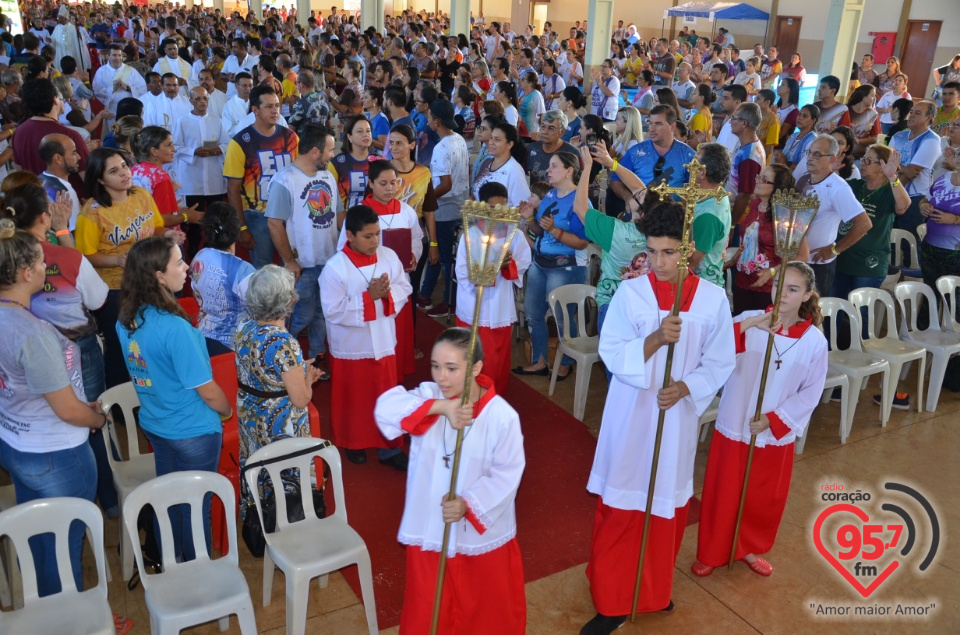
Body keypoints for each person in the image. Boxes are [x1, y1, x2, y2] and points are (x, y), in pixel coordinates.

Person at [582, 202, 735, 634]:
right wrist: (653, 339)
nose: (659, 263)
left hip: (676, 417)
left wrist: (687, 387)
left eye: (669, 253)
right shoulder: (631, 294)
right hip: (631, 416)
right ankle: (612, 599)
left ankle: (652, 592)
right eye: (652, 252)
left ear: (687, 250)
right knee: (622, 507)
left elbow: (720, 359)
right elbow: (612, 353)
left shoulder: (711, 299)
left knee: (664, 508)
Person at [375, 327, 526, 634]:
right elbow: (384, 409)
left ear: (477, 367)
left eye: (452, 368)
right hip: (432, 527)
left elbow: (508, 472)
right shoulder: (429, 396)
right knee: (431, 607)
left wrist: (467, 503)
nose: (441, 377)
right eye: (435, 366)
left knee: (482, 608)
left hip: (478, 533)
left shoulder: (502, 416)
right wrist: (441, 407)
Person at [692, 262, 828, 578]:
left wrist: (773, 420)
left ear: (807, 295)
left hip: (771, 434)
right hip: (734, 425)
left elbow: (811, 392)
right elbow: (712, 350)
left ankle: (748, 548)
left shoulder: (814, 341)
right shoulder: (745, 321)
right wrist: (750, 324)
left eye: (793, 289)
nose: (782, 293)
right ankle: (712, 551)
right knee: (722, 493)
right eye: (778, 283)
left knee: (762, 497)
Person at [0, 218, 107, 598]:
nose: (48, 267)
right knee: (64, 543)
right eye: (43, 262)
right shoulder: (33, 333)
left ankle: (47, 609)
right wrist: (96, 417)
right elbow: (67, 411)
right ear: (26, 272)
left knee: (42, 537)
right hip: (56, 454)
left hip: (17, 442)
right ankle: (71, 618)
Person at [116, 236, 232, 562]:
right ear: (158, 276)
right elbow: (207, 390)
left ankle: (172, 564)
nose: (186, 267)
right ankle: (200, 578)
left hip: (156, 424)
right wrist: (225, 411)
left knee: (170, 501)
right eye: (179, 262)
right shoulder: (175, 328)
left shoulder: (126, 319)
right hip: (192, 430)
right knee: (196, 507)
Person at [320, 204, 412, 469]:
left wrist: (387, 295)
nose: (375, 242)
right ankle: (354, 443)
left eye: (377, 235)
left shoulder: (389, 256)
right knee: (355, 398)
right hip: (352, 345)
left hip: (383, 340)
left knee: (385, 394)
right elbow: (332, 311)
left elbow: (404, 286)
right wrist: (368, 298)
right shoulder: (335, 268)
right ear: (350, 236)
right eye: (368, 236)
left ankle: (389, 448)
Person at [235, 265, 323, 521]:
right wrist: (308, 378)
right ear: (289, 300)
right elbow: (301, 399)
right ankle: (289, 523)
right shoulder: (284, 342)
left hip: (251, 418)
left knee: (260, 472)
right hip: (278, 427)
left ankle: (258, 519)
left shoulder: (244, 328)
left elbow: (259, 371)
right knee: (285, 481)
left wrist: (296, 371)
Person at [265, 123, 339, 378]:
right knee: (299, 317)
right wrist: (289, 261)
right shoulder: (285, 180)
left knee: (322, 314)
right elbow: (274, 223)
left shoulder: (328, 176)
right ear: (316, 152)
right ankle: (287, 362)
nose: (333, 155)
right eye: (330, 150)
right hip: (303, 266)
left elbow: (336, 216)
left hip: (329, 262)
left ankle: (317, 359)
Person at [513, 152, 589, 380]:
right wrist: (529, 219)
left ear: (569, 171)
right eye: (549, 166)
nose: (548, 170)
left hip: (565, 266)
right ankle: (540, 361)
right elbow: (541, 233)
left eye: (554, 166)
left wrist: (555, 230)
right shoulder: (549, 197)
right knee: (534, 313)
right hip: (541, 263)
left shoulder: (580, 200)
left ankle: (566, 362)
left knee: (562, 317)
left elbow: (583, 241)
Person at [347, 160, 423, 376]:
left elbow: (416, 237)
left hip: (398, 282)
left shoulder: (406, 211)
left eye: (394, 183)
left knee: (399, 331)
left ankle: (397, 372)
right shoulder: (359, 213)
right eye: (383, 183)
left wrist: (413, 257)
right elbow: (345, 246)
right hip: (370, 282)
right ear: (371, 183)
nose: (390, 188)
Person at [455, 182, 531, 392]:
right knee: (473, 357)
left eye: (502, 208)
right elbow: (461, 271)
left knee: (497, 358)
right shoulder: (469, 235)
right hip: (474, 306)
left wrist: (508, 265)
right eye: (492, 209)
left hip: (499, 305)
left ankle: (492, 401)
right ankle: (470, 398)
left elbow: (524, 260)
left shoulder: (513, 233)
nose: (498, 214)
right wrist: (484, 272)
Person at [224, 85, 300, 269]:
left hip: (289, 214)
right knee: (264, 270)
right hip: (257, 215)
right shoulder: (240, 142)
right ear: (255, 110)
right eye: (269, 106)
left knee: (291, 267)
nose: (275, 110)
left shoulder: (291, 138)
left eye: (277, 105)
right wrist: (242, 228)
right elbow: (232, 189)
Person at [796, 135, 872, 296]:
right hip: (797, 259)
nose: (810, 157)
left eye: (817, 155)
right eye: (809, 153)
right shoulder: (803, 180)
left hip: (818, 264)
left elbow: (864, 223)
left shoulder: (838, 188)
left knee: (812, 314)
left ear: (832, 159)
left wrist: (835, 250)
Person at [733, 164, 809, 312]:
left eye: (764, 179)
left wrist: (772, 271)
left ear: (777, 187)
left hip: (767, 287)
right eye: (759, 177)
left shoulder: (786, 215)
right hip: (742, 281)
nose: (758, 181)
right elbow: (748, 240)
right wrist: (732, 260)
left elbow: (803, 255)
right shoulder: (754, 204)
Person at [421, 100, 470, 320]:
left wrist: (427, 200)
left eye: (430, 117)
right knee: (442, 254)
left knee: (443, 258)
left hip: (445, 209)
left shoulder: (441, 147)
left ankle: (448, 303)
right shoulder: (458, 138)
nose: (428, 120)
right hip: (459, 204)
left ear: (437, 121)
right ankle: (425, 295)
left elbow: (445, 184)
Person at [172, 86, 230, 258]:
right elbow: (175, 146)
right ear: (191, 101)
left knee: (215, 215)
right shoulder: (182, 121)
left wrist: (218, 149)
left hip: (213, 177)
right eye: (198, 99)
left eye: (205, 98)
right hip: (192, 177)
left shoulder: (216, 120)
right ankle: (193, 248)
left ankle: (213, 246)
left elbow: (227, 144)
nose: (202, 102)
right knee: (194, 219)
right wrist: (193, 152)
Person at [190, 202, 256, 353]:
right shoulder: (244, 270)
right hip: (234, 345)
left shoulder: (200, 256)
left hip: (202, 337)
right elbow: (259, 310)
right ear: (237, 230)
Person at [610, 105, 697, 213]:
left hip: (672, 217)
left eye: (658, 124)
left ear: (672, 126)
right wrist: (628, 198)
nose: (652, 128)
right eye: (650, 123)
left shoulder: (688, 155)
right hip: (640, 214)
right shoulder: (635, 152)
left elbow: (696, 189)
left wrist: (681, 207)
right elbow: (616, 180)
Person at [12, 79, 90, 182]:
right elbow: (89, 179)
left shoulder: (18, 132)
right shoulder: (69, 135)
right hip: (67, 196)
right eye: (62, 98)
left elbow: (20, 171)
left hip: (35, 195)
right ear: (55, 100)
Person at [889, 100, 943, 243]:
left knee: (908, 243)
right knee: (889, 242)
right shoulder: (899, 136)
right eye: (911, 111)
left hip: (914, 198)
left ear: (929, 117)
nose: (911, 115)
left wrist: (894, 168)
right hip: (892, 193)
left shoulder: (931, 140)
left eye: (917, 113)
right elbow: (885, 165)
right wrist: (900, 169)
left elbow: (911, 173)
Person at [689, 143, 733, 288]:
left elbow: (692, 261)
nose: (689, 166)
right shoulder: (718, 193)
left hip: (702, 286)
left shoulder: (709, 215)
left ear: (702, 172)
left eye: (694, 162)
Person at [472, 121, 531, 207]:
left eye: (497, 139)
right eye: (491, 138)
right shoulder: (487, 162)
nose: (491, 142)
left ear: (510, 144)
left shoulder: (514, 170)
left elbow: (523, 206)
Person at [331, 115, 382, 212]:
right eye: (360, 131)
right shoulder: (337, 163)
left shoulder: (379, 161)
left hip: (376, 219)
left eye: (368, 131)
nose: (365, 134)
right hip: (346, 220)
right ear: (349, 137)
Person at [728, 103, 767, 224]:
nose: (730, 122)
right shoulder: (747, 147)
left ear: (744, 123)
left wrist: (733, 225)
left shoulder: (750, 156)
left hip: (738, 217)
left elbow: (744, 194)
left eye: (734, 118)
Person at [92, 44, 147, 123]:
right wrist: (112, 89)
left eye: (119, 55)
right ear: (108, 56)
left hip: (130, 108)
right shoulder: (101, 71)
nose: (117, 58)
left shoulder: (131, 70)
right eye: (114, 55)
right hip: (112, 109)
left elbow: (142, 88)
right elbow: (97, 90)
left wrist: (128, 88)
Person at [39, 134, 83, 232]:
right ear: (58, 159)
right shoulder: (65, 192)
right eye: (73, 153)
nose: (79, 157)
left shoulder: (38, 180)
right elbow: (77, 230)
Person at [527, 110, 580, 188]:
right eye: (543, 126)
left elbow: (579, 184)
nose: (545, 132)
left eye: (551, 128)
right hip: (535, 198)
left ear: (562, 132)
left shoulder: (572, 153)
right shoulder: (531, 149)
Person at [776, 104, 819, 172]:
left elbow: (808, 166)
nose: (800, 118)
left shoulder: (813, 140)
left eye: (805, 116)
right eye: (799, 114)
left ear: (813, 121)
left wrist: (786, 163)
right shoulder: (793, 136)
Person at [846, 84, 881, 158]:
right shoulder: (844, 111)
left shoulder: (873, 115)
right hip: (842, 153)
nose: (874, 98)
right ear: (864, 97)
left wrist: (859, 140)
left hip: (860, 156)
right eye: (872, 95)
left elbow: (875, 138)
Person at [715, 84, 746, 154]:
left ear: (737, 102)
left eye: (726, 98)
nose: (721, 101)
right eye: (722, 97)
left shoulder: (735, 126)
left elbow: (724, 156)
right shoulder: (730, 121)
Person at [755, 89, 781, 159]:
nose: (755, 101)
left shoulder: (774, 121)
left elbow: (768, 149)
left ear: (767, 102)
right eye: (755, 98)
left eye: (758, 99)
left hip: (760, 159)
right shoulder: (755, 114)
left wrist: (759, 161)